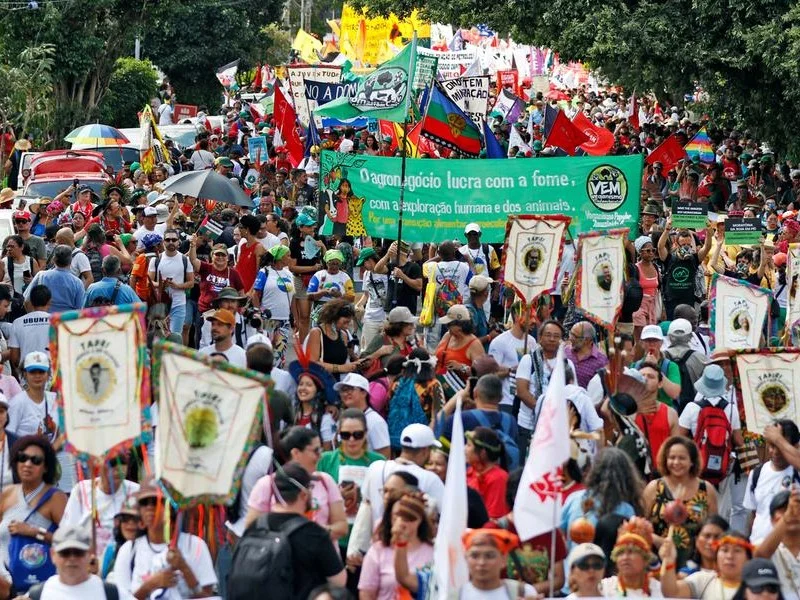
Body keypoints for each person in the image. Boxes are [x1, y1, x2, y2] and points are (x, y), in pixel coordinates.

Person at [347, 424, 445, 562]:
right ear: (424, 450)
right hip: (410, 552)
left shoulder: (376, 467)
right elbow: (446, 516)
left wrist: (355, 549)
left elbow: (365, 507)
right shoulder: (430, 479)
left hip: (375, 549)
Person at [113, 479, 217, 599]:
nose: (150, 507)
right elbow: (120, 597)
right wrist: (150, 585)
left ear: (171, 508)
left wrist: (184, 568)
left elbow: (207, 596)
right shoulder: (129, 550)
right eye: (145, 502)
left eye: (157, 502)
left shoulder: (195, 545)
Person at [245, 428, 347, 540]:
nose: (320, 456)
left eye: (321, 450)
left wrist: (313, 531)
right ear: (296, 453)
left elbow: (342, 527)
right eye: (316, 450)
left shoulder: (325, 481)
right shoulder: (267, 485)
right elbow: (251, 529)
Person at [0, 435, 67, 594]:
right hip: (3, 581)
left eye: (35, 460)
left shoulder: (56, 497)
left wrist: (34, 532)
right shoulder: (7, 493)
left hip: (35, 587)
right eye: (22, 458)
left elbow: (68, 541)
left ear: (45, 467)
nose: (27, 464)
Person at [643, 436, 718, 566]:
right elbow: (639, 526)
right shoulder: (654, 488)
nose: (676, 462)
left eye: (682, 458)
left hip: (695, 564)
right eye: (672, 457)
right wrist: (659, 541)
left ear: (692, 461)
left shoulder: (706, 490)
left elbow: (715, 529)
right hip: (658, 561)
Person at [491, 468, 568, 594]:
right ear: (516, 496)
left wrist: (527, 592)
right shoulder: (494, 530)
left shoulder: (550, 532)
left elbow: (558, 579)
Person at [60, 454, 139, 560]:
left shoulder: (136, 492)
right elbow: (68, 532)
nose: (118, 468)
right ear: (98, 462)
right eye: (112, 462)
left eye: (123, 461)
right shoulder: (81, 491)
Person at [561, 448, 643, 550]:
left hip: (572, 563)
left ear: (594, 471)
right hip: (606, 564)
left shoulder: (573, 499)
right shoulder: (626, 509)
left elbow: (560, 534)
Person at [359, 492, 434, 600]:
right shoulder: (377, 551)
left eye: (409, 517)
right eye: (398, 515)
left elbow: (405, 578)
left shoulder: (434, 552)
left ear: (420, 519)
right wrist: (401, 541)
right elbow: (366, 594)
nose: (402, 521)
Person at [25, 523, 119, 599]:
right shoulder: (36, 595)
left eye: (78, 552)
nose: (72, 558)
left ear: (90, 554)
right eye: (65, 552)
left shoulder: (112, 593)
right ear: (53, 555)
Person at [745, 419, 800, 545]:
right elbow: (754, 514)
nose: (774, 452)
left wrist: (777, 439)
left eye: (779, 446)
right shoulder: (756, 474)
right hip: (759, 547)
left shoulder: (797, 472)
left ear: (796, 446)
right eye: (771, 445)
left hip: (790, 553)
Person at [660, 530, 753, 599]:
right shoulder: (705, 580)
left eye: (737, 551)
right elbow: (671, 591)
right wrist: (669, 561)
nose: (730, 556)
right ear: (716, 556)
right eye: (724, 550)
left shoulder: (758, 587)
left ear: (748, 559)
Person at [456, 529, 537, 598]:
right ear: (466, 558)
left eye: (490, 556)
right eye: (474, 556)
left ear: (503, 559)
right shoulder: (453, 596)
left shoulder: (523, 593)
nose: (481, 562)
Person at [658, 220, 713, 319]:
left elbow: (707, 247)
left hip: (688, 301)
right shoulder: (669, 258)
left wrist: (708, 230)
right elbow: (660, 246)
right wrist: (667, 230)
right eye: (683, 245)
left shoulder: (694, 259)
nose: (686, 247)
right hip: (671, 301)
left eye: (688, 244)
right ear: (676, 244)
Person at [251, 244, 295, 368]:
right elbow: (255, 294)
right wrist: (258, 312)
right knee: (266, 351)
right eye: (288, 255)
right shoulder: (265, 271)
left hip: (284, 321)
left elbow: (293, 298)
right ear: (280, 257)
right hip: (268, 320)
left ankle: (277, 377)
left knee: (279, 353)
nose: (290, 258)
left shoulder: (289, 274)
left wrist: (294, 317)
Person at [753, 488, 800, 597]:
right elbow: (760, 556)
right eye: (784, 510)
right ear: (772, 520)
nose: (792, 513)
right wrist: (787, 517)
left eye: (797, 509)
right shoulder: (763, 545)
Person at [600, 517, 663, 597]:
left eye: (631, 552)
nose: (625, 557)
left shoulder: (659, 590)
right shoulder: (603, 589)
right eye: (620, 552)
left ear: (645, 558)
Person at [148, 229, 194, 336]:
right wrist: (161, 285)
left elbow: (191, 283)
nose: (171, 242)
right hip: (160, 305)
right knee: (159, 337)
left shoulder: (184, 260)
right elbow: (149, 281)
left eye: (174, 239)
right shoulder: (155, 260)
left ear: (178, 242)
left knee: (175, 337)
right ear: (163, 242)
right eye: (168, 240)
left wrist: (177, 285)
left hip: (179, 304)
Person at [306, 299, 367, 378]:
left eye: (349, 322)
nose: (346, 326)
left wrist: (356, 361)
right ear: (334, 317)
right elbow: (312, 364)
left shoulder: (343, 335)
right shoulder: (316, 333)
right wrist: (342, 368)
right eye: (345, 322)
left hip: (338, 382)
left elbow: (345, 360)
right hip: (321, 382)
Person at [634, 362, 680, 466]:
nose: (645, 379)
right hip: (634, 476)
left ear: (660, 384)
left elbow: (677, 447)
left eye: (650, 377)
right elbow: (605, 409)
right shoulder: (628, 410)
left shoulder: (670, 413)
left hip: (661, 475)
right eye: (641, 376)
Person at [333, 373, 390, 457]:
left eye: (350, 389)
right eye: (343, 390)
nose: (346, 393)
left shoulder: (375, 421)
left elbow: (384, 456)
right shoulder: (342, 418)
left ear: (364, 392)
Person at [435, 304, 485, 396]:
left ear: (460, 326)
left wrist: (462, 367)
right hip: (438, 388)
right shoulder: (448, 335)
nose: (447, 327)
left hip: (458, 393)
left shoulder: (474, 344)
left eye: (449, 324)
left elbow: (481, 373)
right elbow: (436, 356)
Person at [23, 245, 85, 313]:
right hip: (66, 321)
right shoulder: (77, 283)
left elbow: (26, 300)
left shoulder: (41, 276)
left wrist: (33, 316)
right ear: (71, 260)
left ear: (54, 259)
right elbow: (80, 309)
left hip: (44, 320)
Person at [466, 427, 509, 519]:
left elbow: (494, 519)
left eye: (469, 445)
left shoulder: (499, 478)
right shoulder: (470, 471)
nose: (464, 449)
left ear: (483, 453)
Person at [8, 284, 50, 376]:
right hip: (51, 376)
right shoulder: (56, 321)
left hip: (27, 377)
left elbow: (14, 357)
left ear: (31, 302)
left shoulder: (17, 323)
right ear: (49, 302)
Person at [355, 247, 389, 349]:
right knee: (368, 349)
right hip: (370, 318)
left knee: (386, 349)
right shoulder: (367, 274)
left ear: (369, 260)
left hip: (386, 318)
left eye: (363, 264)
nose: (363, 267)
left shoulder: (387, 272)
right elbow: (366, 294)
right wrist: (358, 305)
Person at [565, 321, 609, 389]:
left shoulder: (601, 361)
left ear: (587, 340)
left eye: (575, 336)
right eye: (571, 334)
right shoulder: (566, 351)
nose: (570, 338)